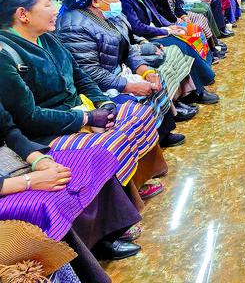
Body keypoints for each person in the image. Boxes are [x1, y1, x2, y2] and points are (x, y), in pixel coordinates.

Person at [0, 0, 169, 200]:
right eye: (48, 4)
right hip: (46, 129)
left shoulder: (47, 38)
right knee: (109, 143)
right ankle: (127, 198)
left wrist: (103, 103)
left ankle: (139, 179)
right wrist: (86, 118)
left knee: (137, 114)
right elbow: (29, 117)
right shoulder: (6, 55)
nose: (56, 10)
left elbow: (79, 75)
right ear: (23, 14)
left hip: (77, 110)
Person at [0, 102, 143, 266]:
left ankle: (102, 237)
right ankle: (80, 262)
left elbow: (9, 131)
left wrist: (40, 161)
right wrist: (30, 181)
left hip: (8, 160)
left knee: (92, 159)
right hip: (5, 183)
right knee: (45, 201)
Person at [56, 0, 191, 145]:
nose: (118, 1)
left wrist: (145, 71)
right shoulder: (74, 28)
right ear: (96, 2)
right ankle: (151, 142)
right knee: (136, 99)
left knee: (154, 79)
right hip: (98, 86)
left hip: (117, 70)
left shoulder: (110, 16)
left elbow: (127, 48)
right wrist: (128, 86)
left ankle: (163, 133)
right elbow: (89, 72)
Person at [110, 0, 219, 104]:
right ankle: (195, 92)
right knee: (180, 44)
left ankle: (202, 79)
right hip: (143, 37)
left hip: (155, 29)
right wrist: (165, 31)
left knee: (188, 32)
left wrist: (169, 26)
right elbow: (137, 27)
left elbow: (156, 13)